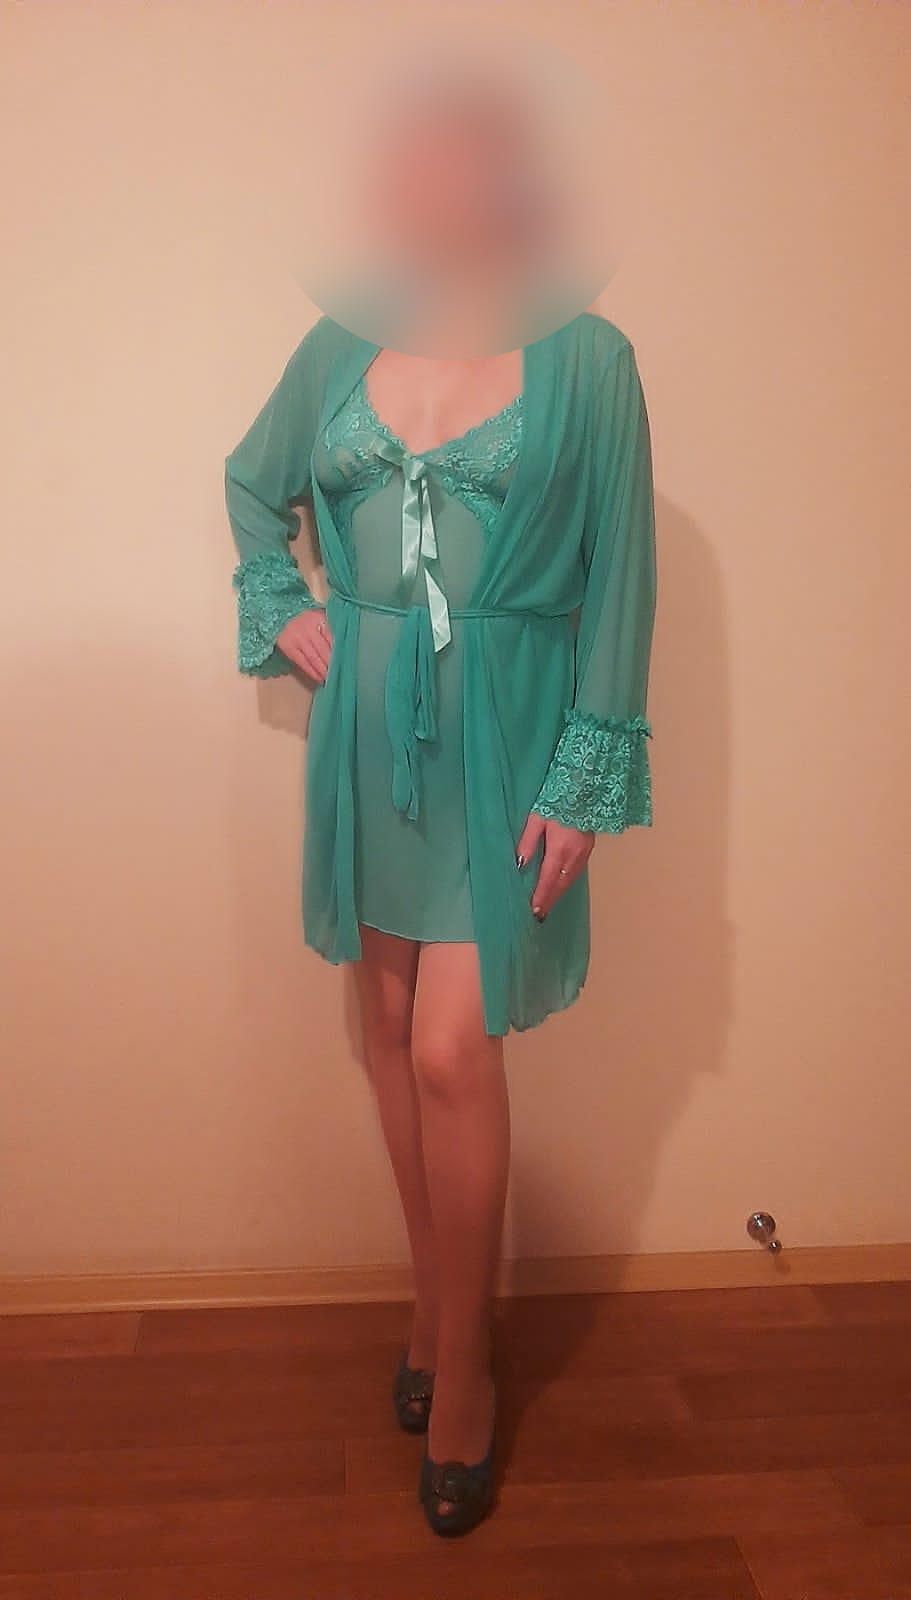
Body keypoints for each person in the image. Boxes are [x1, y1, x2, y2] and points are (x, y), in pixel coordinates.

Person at [224, 82, 656, 1543]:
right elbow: (254, 488)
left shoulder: (588, 358)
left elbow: (623, 572)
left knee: (456, 1048)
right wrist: (284, 607)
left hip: (507, 732)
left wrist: (587, 772)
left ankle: (467, 1357)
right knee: (389, 1025)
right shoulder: (343, 341)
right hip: (366, 736)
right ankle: (433, 1299)